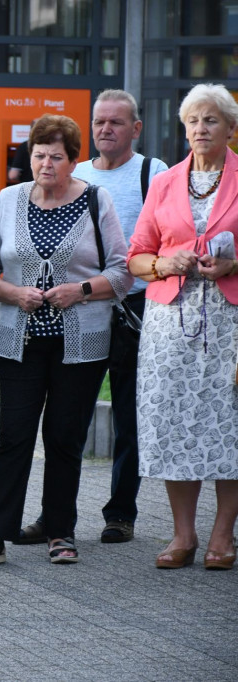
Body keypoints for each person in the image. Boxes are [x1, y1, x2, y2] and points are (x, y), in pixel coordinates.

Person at [0, 114, 133, 568]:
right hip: (20, 341)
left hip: (82, 344)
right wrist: (15, 293)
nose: (46, 163)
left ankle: (60, 531)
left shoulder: (97, 199)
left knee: (64, 439)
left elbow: (122, 270)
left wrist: (82, 290)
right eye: (39, 154)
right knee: (12, 438)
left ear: (74, 160)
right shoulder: (9, 199)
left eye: (57, 155)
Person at [17, 91, 168, 546]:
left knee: (128, 414)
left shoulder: (151, 172)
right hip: (76, 312)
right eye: (100, 122)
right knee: (68, 421)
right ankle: (55, 519)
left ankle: (120, 513)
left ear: (135, 129)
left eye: (117, 123)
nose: (107, 129)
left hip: (134, 310)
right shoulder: (74, 172)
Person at [127, 83, 238, 571]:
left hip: (231, 321)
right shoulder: (165, 182)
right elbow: (134, 256)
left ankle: (222, 534)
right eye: (192, 120)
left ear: (231, 129)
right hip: (170, 324)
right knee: (175, 423)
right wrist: (164, 263)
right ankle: (183, 535)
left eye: (210, 120)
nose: (200, 129)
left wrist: (234, 265)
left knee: (229, 426)